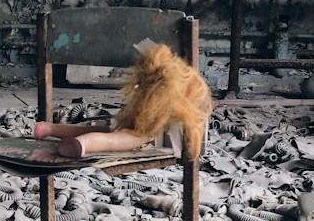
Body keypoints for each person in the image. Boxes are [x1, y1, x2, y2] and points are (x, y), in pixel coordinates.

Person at [32, 41, 212, 159]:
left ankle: (48, 128)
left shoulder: (160, 75)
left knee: (108, 131)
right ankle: (82, 144)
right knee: (117, 140)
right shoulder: (179, 90)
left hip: (138, 110)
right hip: (143, 123)